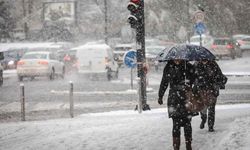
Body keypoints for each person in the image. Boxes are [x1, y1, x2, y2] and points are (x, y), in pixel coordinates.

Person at [158, 59, 197, 150]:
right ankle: (176, 146)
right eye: (175, 58)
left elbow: (195, 81)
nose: (177, 59)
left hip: (186, 97)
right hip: (174, 98)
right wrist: (160, 96)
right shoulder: (169, 67)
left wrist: (189, 83)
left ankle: (188, 145)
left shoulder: (189, 66)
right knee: (175, 124)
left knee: (187, 123)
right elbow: (164, 82)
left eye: (179, 57)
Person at [193, 59, 227, 132]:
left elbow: (219, 75)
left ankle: (210, 126)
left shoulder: (213, 64)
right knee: (202, 108)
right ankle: (203, 119)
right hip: (201, 90)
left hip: (211, 90)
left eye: (205, 59)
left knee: (211, 109)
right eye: (202, 59)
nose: (204, 60)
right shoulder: (196, 65)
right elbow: (193, 76)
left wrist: (217, 81)